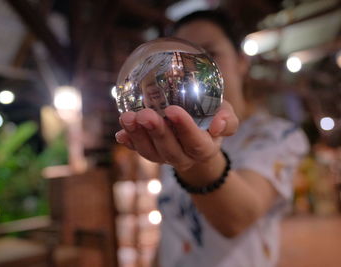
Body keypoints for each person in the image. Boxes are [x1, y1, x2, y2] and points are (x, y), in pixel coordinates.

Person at [115, 9, 309, 267]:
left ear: (242, 61)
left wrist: (195, 160)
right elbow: (173, 228)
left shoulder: (278, 135)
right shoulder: (168, 134)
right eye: (178, 61)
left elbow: (237, 218)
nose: (190, 70)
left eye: (210, 54)